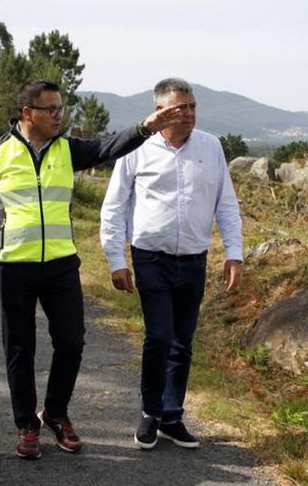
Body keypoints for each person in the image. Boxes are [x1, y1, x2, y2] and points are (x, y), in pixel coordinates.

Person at [0, 79, 186, 460]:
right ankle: (26, 426)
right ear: (27, 112)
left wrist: (147, 126)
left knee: (71, 342)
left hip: (61, 264)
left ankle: (55, 413)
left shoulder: (67, 149)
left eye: (62, 109)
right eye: (51, 110)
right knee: (20, 347)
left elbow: (109, 147)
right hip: (14, 266)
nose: (58, 116)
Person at [99, 77, 243, 450]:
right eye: (182, 107)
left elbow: (226, 204)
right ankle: (150, 411)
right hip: (151, 258)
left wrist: (234, 252)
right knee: (159, 337)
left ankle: (172, 415)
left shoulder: (211, 147)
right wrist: (116, 259)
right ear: (161, 110)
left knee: (182, 342)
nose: (190, 113)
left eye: (193, 106)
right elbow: (114, 207)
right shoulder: (137, 148)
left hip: (194, 259)